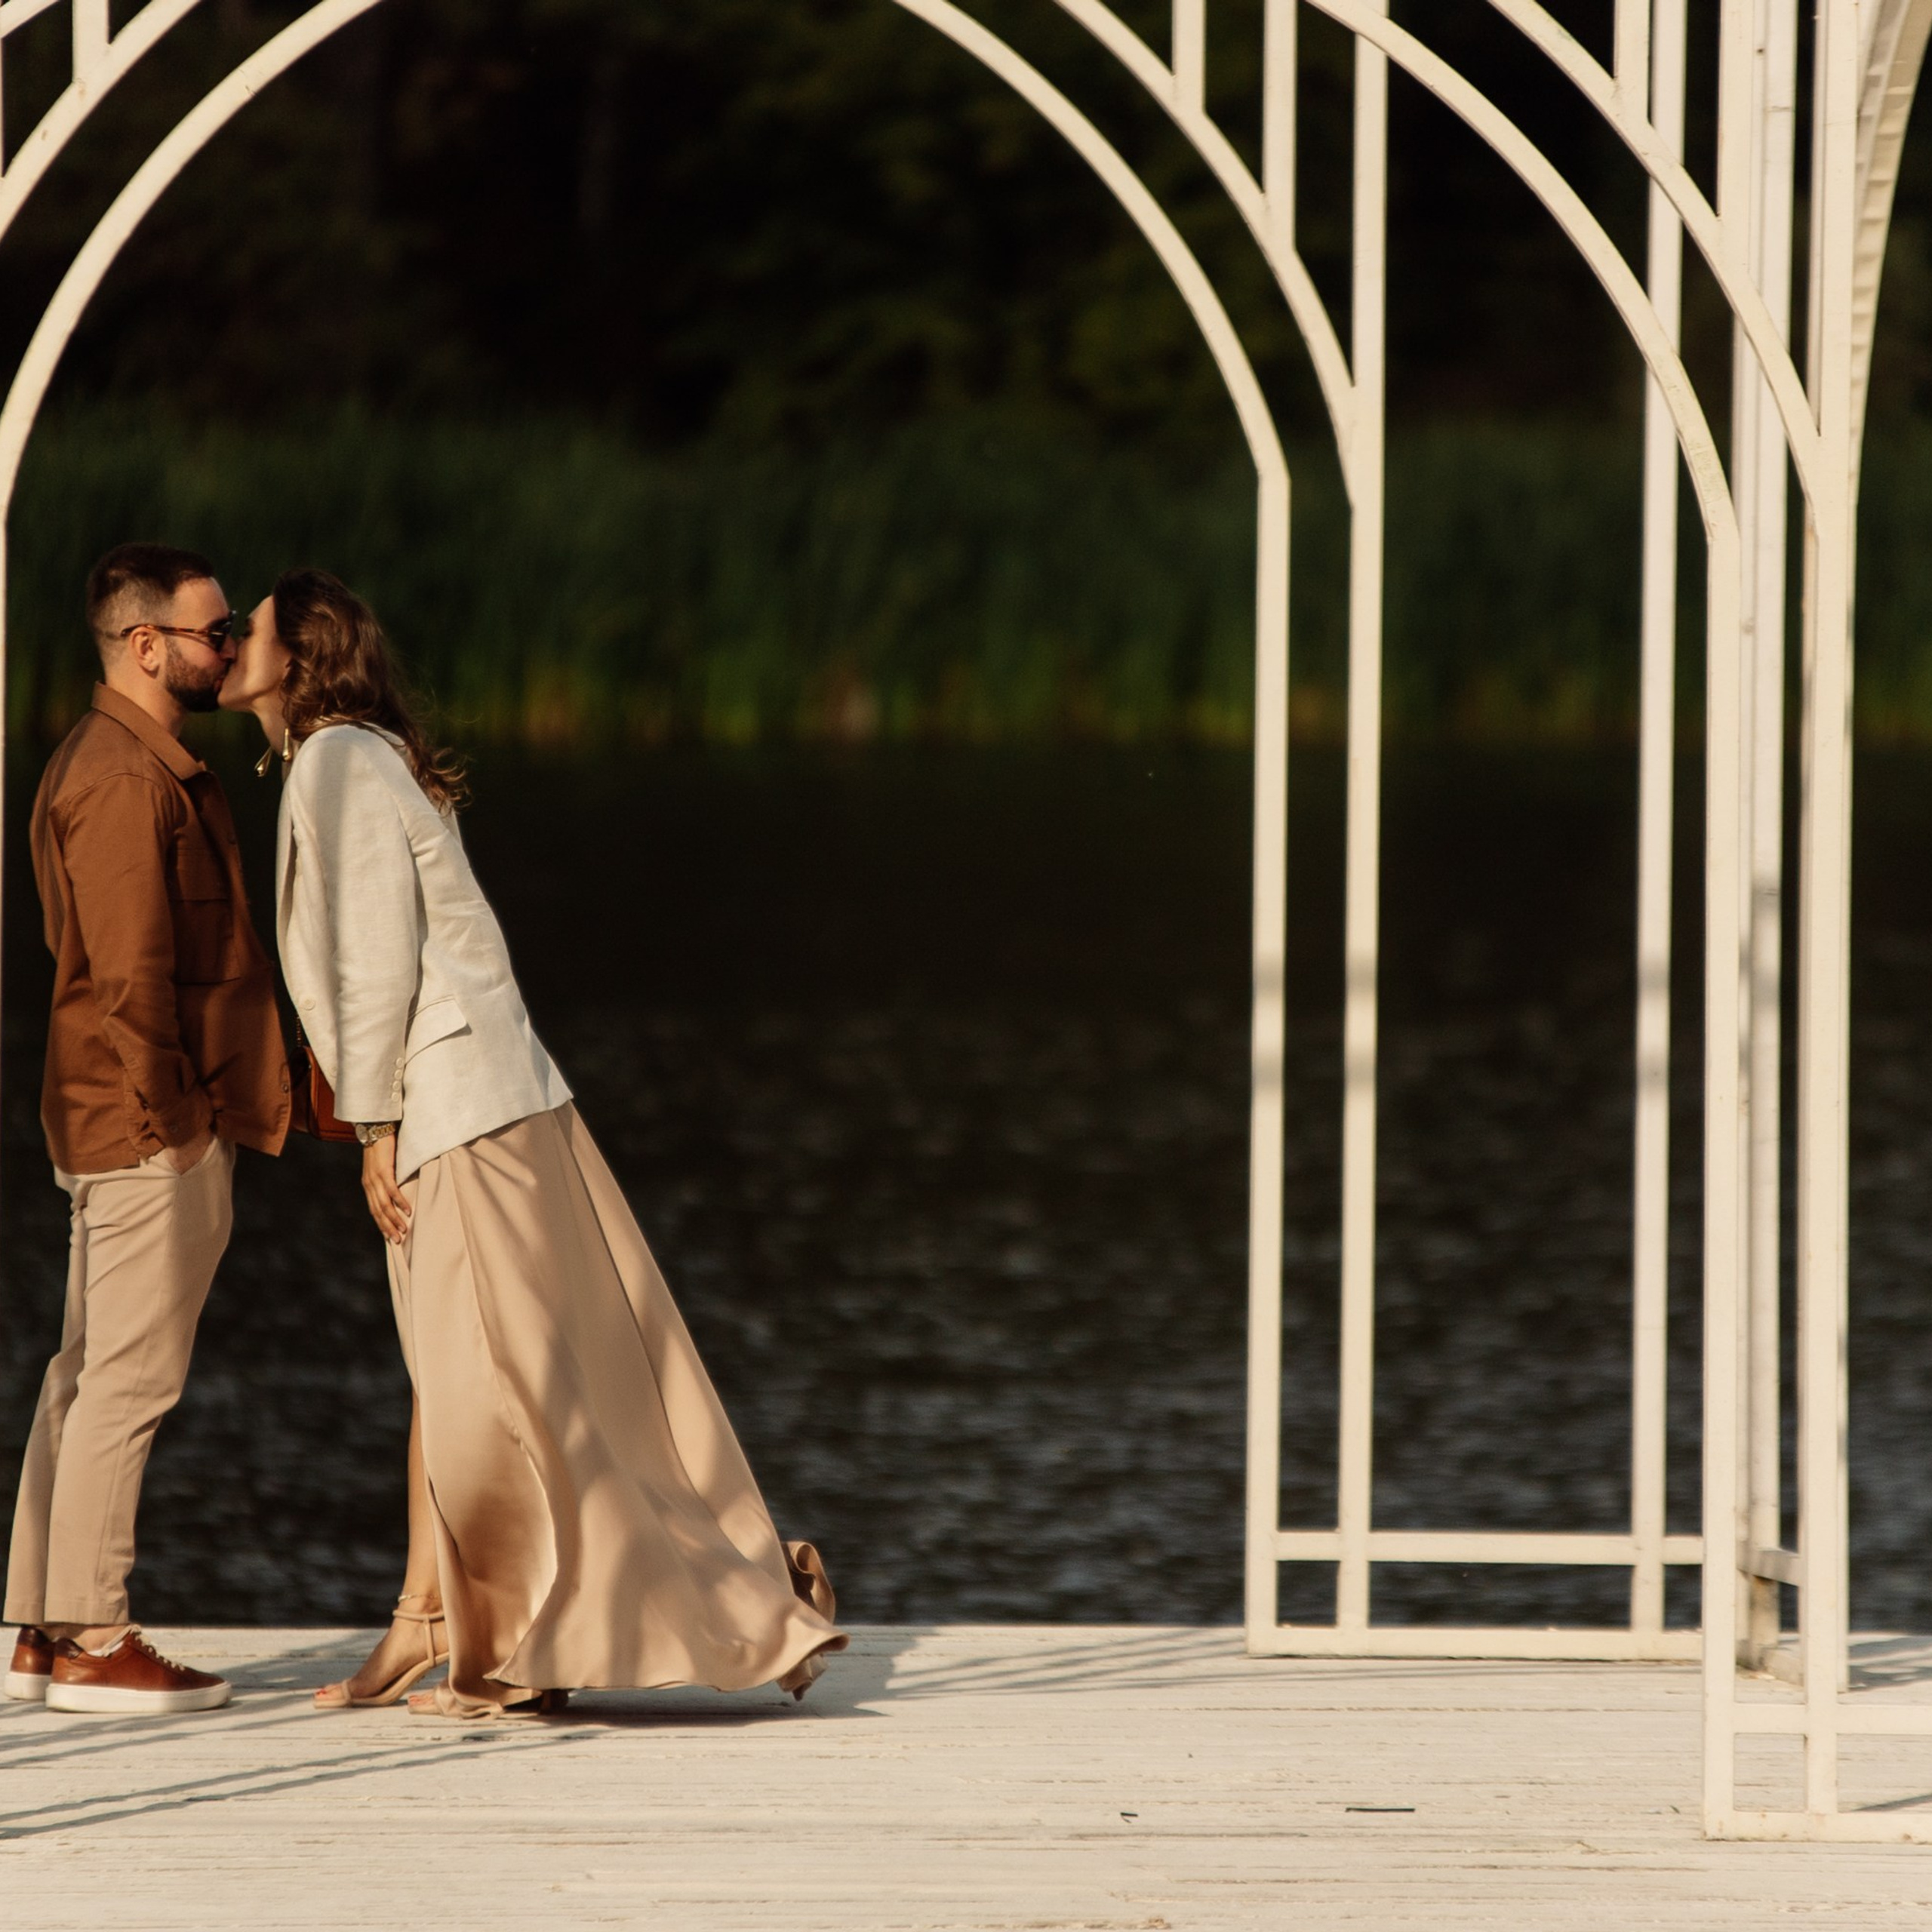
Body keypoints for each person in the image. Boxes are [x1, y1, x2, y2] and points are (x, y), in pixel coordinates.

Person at [219, 568, 844, 1717]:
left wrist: (375, 1128)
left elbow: (375, 957)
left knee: (487, 1385)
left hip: (455, 1107)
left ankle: (529, 1642)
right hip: (494, 1095)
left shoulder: (336, 761)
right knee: (458, 1370)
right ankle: (428, 1620)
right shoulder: (357, 754)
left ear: (296, 656)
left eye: (241, 628)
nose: (223, 641)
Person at [3, 544, 290, 1715]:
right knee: (128, 1381)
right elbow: (128, 978)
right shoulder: (123, 779)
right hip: (141, 1129)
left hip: (117, 1119)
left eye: (229, 633)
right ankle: (92, 1635)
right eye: (212, 632)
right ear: (143, 646)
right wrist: (180, 1128)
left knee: (85, 1372)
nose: (226, 649)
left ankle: (37, 1626)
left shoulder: (128, 762)